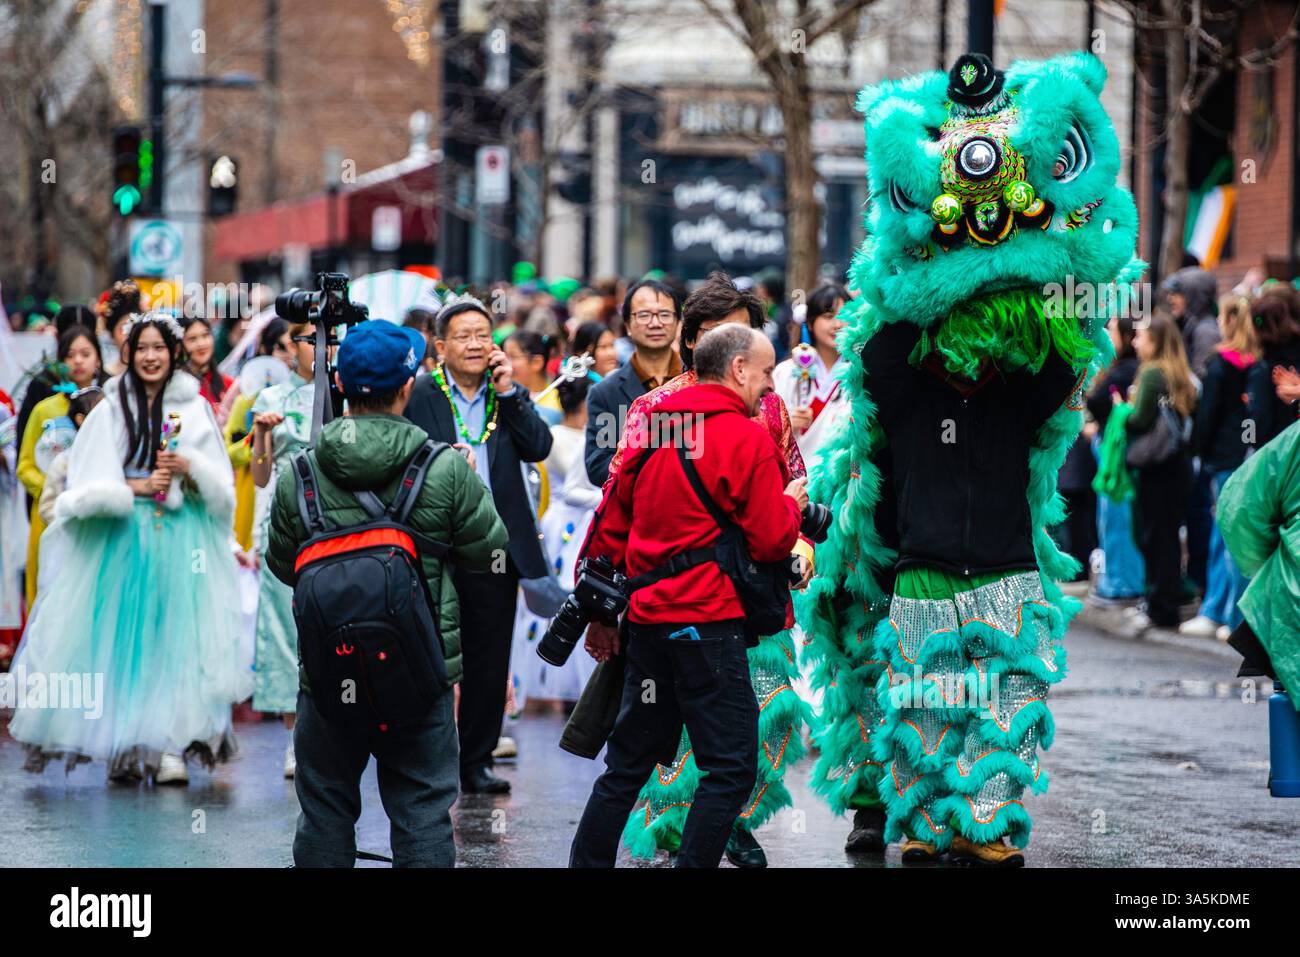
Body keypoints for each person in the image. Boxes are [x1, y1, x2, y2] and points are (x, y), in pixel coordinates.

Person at [265, 320, 508, 867]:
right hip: (420, 673)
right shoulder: (444, 468)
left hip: (329, 673)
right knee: (422, 812)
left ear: (342, 387)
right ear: (406, 389)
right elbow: (489, 555)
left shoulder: (299, 473)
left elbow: (285, 566)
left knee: (325, 811)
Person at [596, 272, 813, 868]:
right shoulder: (656, 410)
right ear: (701, 343)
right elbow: (623, 500)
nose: (763, 373)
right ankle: (679, 841)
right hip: (707, 607)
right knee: (718, 754)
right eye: (728, 335)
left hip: (725, 605)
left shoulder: (764, 409)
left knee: (712, 747)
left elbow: (612, 519)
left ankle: (725, 833)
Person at [10, 312, 249, 784]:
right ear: (128, 352)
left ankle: (169, 745)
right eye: (142, 348)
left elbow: (221, 487)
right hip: (124, 540)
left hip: (182, 539)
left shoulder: (195, 407)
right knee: (126, 643)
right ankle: (128, 740)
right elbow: (84, 478)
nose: (151, 356)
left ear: (173, 351)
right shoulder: (110, 405)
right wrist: (133, 487)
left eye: (159, 347)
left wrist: (189, 467)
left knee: (176, 641)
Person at [404, 295, 554, 794]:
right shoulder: (421, 394)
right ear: (440, 346)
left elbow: (539, 447)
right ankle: (429, 758)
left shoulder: (504, 394)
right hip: (436, 543)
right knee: (433, 654)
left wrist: (510, 391)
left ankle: (477, 759)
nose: (474, 344)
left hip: (495, 546)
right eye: (463, 336)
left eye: (482, 335)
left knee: (489, 661)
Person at [249, 320, 317, 777]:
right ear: (292, 347)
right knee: (282, 629)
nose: (317, 348)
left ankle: (334, 735)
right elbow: (259, 474)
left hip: (338, 521)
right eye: (309, 339)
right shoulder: (273, 400)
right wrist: (261, 436)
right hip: (287, 520)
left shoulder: (349, 397)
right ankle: (295, 739)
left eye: (325, 339)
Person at [510, 376, 604, 707]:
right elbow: (570, 487)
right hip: (564, 525)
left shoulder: (588, 437)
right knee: (560, 595)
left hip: (577, 523)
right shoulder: (570, 440)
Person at [1181, 295, 1261, 639]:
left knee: (1222, 536)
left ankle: (1218, 610)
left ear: (1227, 320)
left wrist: (1197, 451)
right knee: (1240, 537)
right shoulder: (1257, 362)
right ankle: (1232, 612)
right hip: (1250, 453)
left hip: (1223, 457)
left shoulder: (1219, 364)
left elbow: (1208, 414)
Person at [16, 325, 105, 608]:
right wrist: (53, 489)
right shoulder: (44, 409)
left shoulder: (109, 406)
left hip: (95, 516)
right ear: (60, 362)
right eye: (70, 355)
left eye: (85, 353)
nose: (78, 361)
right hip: (48, 514)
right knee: (47, 591)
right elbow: (25, 464)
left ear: (98, 360)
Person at [1122, 314, 1197, 631]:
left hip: (1155, 466)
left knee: (1155, 537)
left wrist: (1121, 410)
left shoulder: (1153, 374)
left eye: (1141, 337)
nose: (1136, 342)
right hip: (1177, 465)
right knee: (1166, 537)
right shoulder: (1180, 373)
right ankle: (1165, 602)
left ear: (1156, 341)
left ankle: (1160, 608)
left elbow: (1139, 420)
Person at [584, 278, 682, 488]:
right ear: (627, 325)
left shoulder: (700, 382)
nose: (655, 323)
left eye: (664, 314)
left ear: (678, 322)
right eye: (644, 315)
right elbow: (598, 465)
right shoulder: (606, 392)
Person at [1086, 317, 1145, 602]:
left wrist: (1100, 423)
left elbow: (1096, 400)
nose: (1107, 336)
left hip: (1117, 454)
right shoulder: (1133, 369)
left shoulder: (1126, 370)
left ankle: (1122, 584)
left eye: (1111, 331)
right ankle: (1122, 581)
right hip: (1119, 452)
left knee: (1117, 519)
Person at [773, 282, 850, 471]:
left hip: (840, 476)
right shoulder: (786, 371)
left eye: (845, 317)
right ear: (809, 322)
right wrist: (785, 421)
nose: (838, 324)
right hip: (794, 480)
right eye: (829, 316)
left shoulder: (857, 372)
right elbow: (762, 423)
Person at [180, 316, 234, 423]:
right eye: (192, 339)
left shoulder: (229, 385)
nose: (201, 344)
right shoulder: (178, 388)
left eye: (205, 335)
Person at [505, 330, 562, 425]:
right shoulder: (502, 396)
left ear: (537, 363)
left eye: (513, 357)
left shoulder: (558, 402)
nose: (505, 363)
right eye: (505, 357)